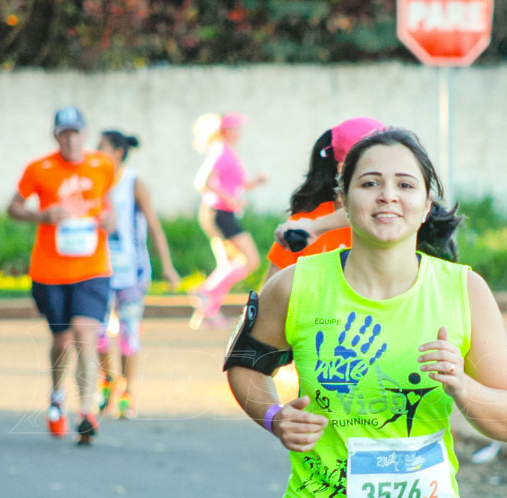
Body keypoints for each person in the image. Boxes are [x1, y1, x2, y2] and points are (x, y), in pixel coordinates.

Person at [225, 128, 507, 498]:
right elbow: (245, 364)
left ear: (425, 204)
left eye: (404, 184)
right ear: (342, 201)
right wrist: (274, 415)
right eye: (370, 183)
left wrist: (462, 384)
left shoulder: (464, 291)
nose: (388, 195)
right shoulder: (297, 286)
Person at [7, 106, 117, 445]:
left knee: (85, 334)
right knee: (61, 340)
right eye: (64, 133)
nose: (70, 139)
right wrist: (42, 215)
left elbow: (108, 203)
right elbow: (13, 207)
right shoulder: (39, 169)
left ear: (84, 134)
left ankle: (86, 412)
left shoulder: (103, 165)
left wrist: (110, 219)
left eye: (75, 132)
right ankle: (57, 396)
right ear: (57, 135)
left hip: (93, 267)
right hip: (50, 271)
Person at [95, 130, 181, 420]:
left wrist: (167, 266)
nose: (95, 151)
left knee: (129, 334)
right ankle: (108, 380)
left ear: (118, 152)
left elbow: (154, 226)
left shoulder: (134, 184)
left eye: (101, 147)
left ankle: (127, 393)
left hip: (132, 272)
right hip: (98, 271)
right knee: (98, 333)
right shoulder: (93, 180)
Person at [264, 116, 385, 282]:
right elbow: (265, 302)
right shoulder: (300, 228)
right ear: (344, 169)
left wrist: (315, 226)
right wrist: (312, 227)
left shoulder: (394, 221)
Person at [189, 112, 268, 329]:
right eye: (236, 128)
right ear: (226, 131)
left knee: (227, 265)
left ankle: (207, 313)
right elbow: (203, 182)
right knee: (250, 260)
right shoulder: (220, 151)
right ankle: (205, 291)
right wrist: (230, 199)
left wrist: (255, 183)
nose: (239, 132)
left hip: (221, 213)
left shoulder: (226, 152)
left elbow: (234, 185)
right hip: (219, 214)